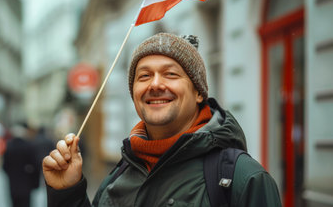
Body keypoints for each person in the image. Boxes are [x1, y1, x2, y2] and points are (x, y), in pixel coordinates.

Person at [42, 33, 282, 206]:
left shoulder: (241, 179)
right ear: (134, 93)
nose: (155, 84)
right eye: (144, 76)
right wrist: (67, 193)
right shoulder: (117, 178)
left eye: (170, 74)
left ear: (199, 92)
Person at [3, 124, 41, 207]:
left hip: (13, 184)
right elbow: (35, 165)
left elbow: (4, 166)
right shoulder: (28, 146)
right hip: (26, 184)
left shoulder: (9, 147)